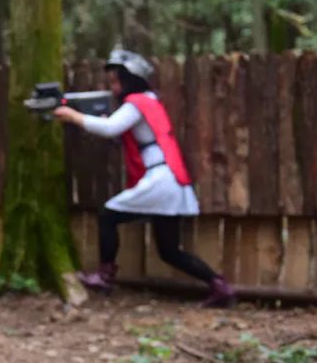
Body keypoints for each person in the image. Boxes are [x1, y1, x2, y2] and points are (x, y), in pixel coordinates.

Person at [52, 45, 235, 308]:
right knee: (169, 251)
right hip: (169, 179)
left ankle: (104, 275)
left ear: (130, 79)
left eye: (116, 80)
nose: (113, 86)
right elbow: (124, 132)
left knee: (108, 215)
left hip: (161, 179)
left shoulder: (137, 103)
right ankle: (220, 286)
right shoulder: (148, 101)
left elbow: (110, 128)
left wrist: (74, 116)